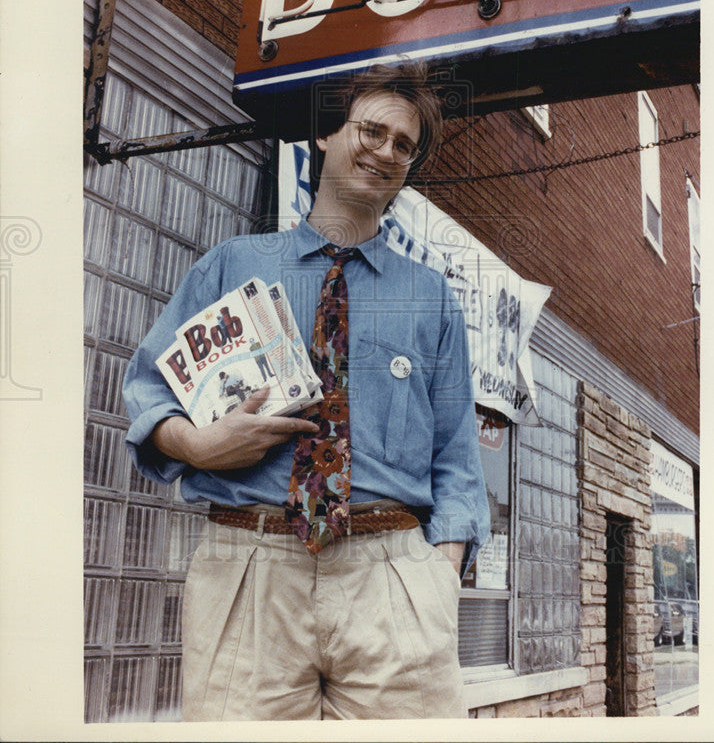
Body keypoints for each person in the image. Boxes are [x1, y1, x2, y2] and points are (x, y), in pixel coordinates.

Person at [123, 60, 490, 721]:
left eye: (404, 145)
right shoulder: (233, 265)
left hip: (394, 578)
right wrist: (201, 447)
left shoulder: (431, 296)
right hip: (248, 571)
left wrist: (439, 574)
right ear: (326, 135)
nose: (385, 152)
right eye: (372, 131)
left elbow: (458, 460)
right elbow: (150, 395)